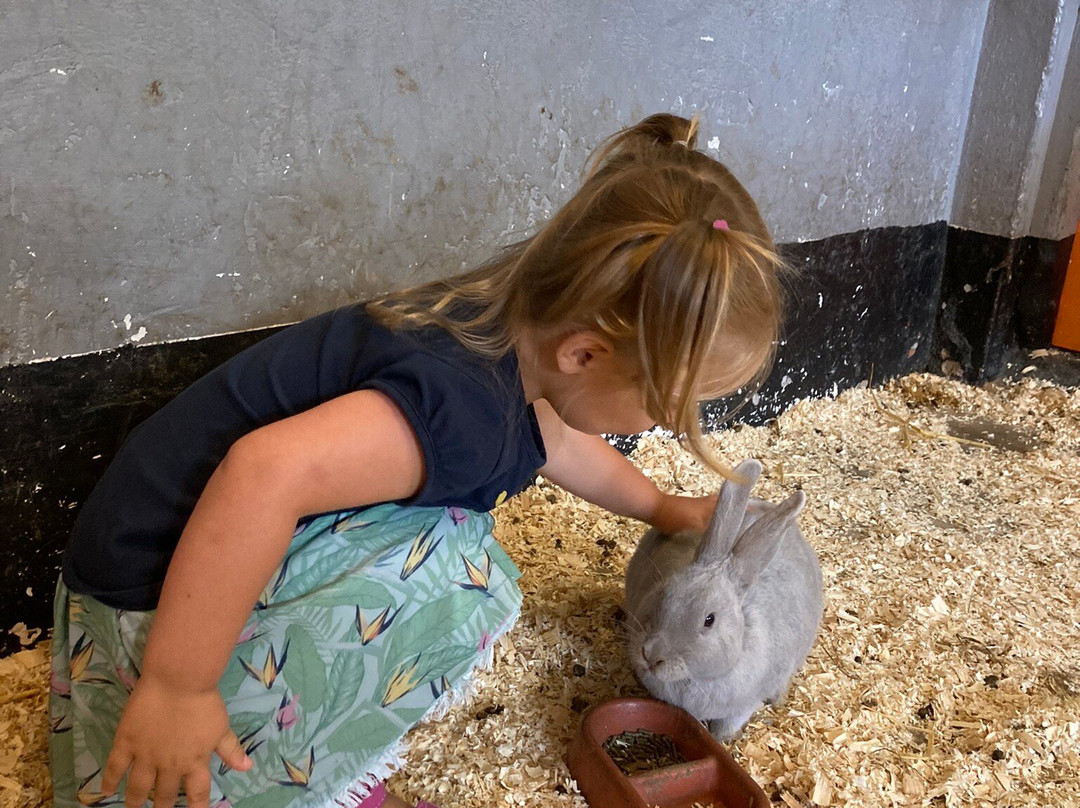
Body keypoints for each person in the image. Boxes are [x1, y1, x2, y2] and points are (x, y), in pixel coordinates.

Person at [49, 112, 786, 808]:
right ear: (585, 352)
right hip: (155, 600)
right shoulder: (458, 405)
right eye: (664, 404)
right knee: (463, 580)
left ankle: (311, 751)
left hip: (193, 552)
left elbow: (557, 441)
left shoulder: (503, 327)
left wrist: (661, 508)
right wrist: (179, 688)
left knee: (449, 540)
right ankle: (262, 757)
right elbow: (264, 473)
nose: (660, 423)